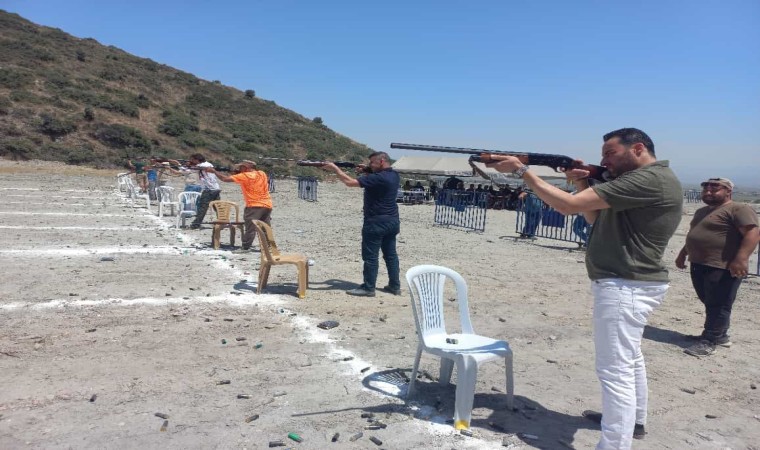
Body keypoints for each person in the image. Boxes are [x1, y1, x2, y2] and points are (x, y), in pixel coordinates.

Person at [486, 128, 682, 449]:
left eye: (610, 153)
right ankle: (634, 421)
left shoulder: (646, 179)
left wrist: (522, 172)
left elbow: (566, 207)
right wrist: (581, 183)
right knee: (629, 360)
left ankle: (614, 444)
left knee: (614, 370)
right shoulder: (647, 179)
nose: (605, 161)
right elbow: (592, 218)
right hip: (630, 281)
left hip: (625, 283)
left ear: (638, 149)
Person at [675, 177, 759, 357]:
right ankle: (720, 335)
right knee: (709, 300)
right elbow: (694, 234)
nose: (708, 192)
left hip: (723, 265)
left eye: (714, 189)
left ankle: (710, 340)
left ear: (728, 191)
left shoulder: (738, 209)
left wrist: (742, 258)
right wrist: (683, 253)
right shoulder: (702, 211)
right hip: (700, 263)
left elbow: (753, 233)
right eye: (705, 189)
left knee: (719, 304)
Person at [321, 151, 401, 297]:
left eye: (372, 162)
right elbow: (375, 180)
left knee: (370, 257)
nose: (370, 165)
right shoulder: (394, 175)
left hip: (376, 222)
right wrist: (367, 170)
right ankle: (395, 286)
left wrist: (335, 169)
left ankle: (368, 288)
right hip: (392, 221)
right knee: (391, 255)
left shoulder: (378, 177)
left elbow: (349, 183)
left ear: (381, 161)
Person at [206, 161, 273, 252]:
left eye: (241, 167)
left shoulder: (245, 176)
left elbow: (224, 179)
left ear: (246, 168)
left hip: (254, 205)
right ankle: (268, 247)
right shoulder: (262, 173)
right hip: (267, 204)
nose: (239, 169)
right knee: (265, 228)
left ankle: (245, 247)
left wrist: (214, 171)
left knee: (250, 228)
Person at [187, 153, 221, 229]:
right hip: (215, 188)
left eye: (192, 160)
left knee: (202, 207)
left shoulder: (201, 166)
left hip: (209, 189)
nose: (192, 161)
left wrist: (188, 165)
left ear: (197, 160)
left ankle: (196, 224)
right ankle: (222, 221)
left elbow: (193, 168)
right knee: (217, 207)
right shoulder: (208, 164)